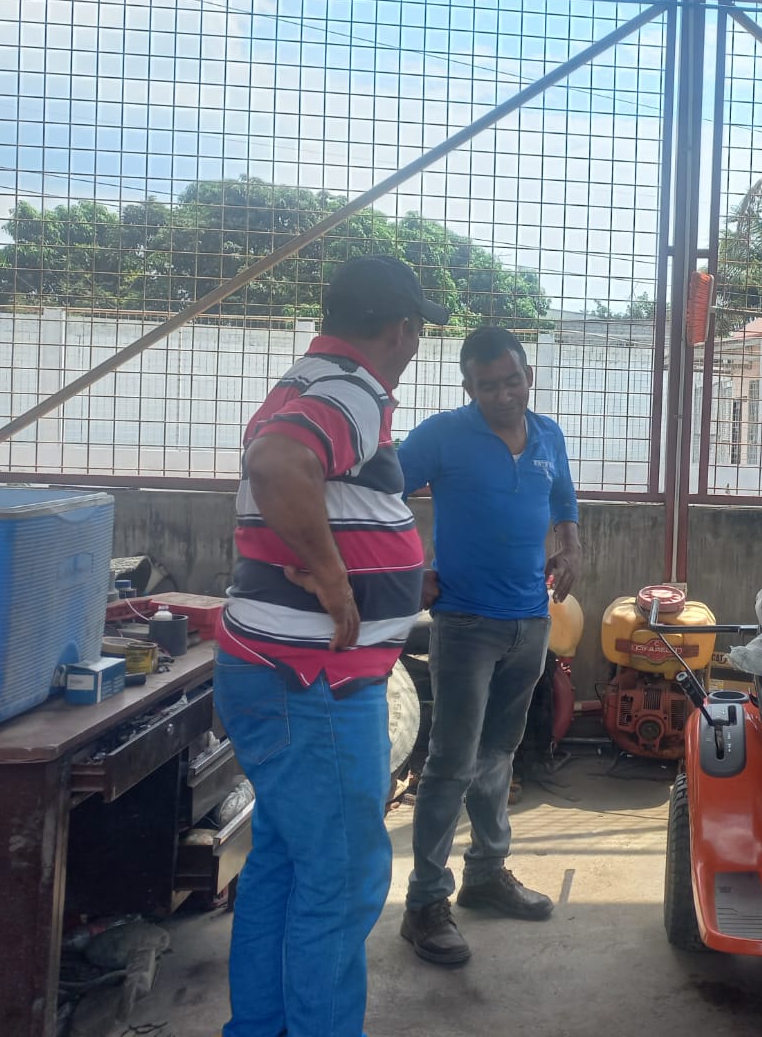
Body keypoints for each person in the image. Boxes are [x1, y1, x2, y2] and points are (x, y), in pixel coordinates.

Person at [214, 255, 448, 1037]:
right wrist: (335, 576)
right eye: (417, 333)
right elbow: (279, 462)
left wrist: (378, 569)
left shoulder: (306, 381)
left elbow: (301, 472)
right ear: (402, 330)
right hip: (313, 682)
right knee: (343, 877)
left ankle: (261, 1027)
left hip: (279, 673)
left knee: (286, 864)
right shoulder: (350, 388)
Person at [399, 325, 582, 965]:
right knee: (450, 763)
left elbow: (563, 499)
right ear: (468, 386)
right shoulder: (441, 436)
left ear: (528, 375)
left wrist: (571, 546)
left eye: (512, 381)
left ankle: (484, 874)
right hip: (464, 624)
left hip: (530, 620)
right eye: (487, 386)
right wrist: (408, 571)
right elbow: (377, 496)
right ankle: (424, 904)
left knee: (499, 754)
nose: (503, 395)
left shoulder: (549, 435)